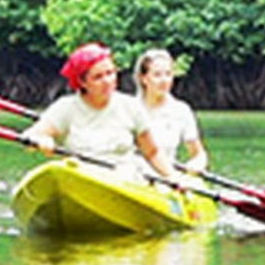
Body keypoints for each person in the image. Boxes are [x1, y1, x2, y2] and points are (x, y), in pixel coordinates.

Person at [25, 43, 177, 177]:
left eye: (110, 73)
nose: (107, 81)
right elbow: (33, 134)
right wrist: (42, 139)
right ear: (82, 82)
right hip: (83, 179)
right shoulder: (65, 108)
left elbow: (152, 152)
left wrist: (173, 177)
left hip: (124, 180)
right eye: (98, 77)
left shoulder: (131, 107)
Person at [133, 48, 209, 174]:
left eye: (168, 74)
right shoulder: (129, 108)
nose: (164, 81)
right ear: (143, 78)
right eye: (157, 75)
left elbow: (199, 154)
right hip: (133, 178)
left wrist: (196, 164)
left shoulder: (181, 110)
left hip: (166, 179)